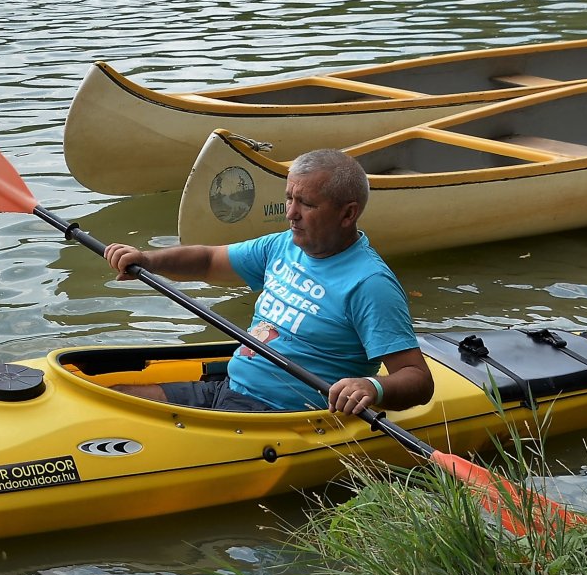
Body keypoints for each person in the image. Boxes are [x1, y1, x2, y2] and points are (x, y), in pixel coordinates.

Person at [102, 149, 433, 416]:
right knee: (113, 398)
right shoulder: (283, 246)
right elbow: (208, 260)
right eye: (289, 198)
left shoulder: (370, 284)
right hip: (229, 388)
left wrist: (371, 387)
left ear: (348, 214)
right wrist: (149, 260)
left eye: (307, 204)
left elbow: (418, 379)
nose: (291, 213)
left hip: (279, 415)